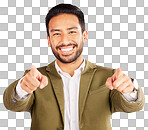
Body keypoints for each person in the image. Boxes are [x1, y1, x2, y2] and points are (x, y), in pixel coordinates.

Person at [3, 3, 145, 130]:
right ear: (48, 40)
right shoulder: (35, 77)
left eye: (72, 32)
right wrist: (22, 88)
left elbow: (134, 106)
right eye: (57, 33)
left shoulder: (108, 77)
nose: (64, 41)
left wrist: (129, 90)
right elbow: (12, 104)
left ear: (84, 35)